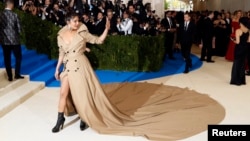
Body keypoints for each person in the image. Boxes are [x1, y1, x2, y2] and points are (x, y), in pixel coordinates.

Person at [51, 11, 224, 141]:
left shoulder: (82, 32)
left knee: (84, 94)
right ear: (68, 22)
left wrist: (106, 29)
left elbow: (98, 40)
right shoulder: (61, 35)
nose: (77, 22)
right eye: (75, 21)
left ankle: (85, 117)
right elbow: (61, 53)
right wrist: (57, 69)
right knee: (63, 94)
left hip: (81, 65)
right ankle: (59, 121)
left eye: (78, 21)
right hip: (67, 66)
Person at [0, 0, 24, 81]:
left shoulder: (1, 15)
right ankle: (17, 74)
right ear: (11, 5)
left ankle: (10, 76)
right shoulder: (15, 15)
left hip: (4, 41)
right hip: (15, 41)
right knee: (18, 57)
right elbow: (20, 29)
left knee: (7, 58)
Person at [230, 17, 250, 86]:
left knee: (236, 64)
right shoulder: (248, 30)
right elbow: (249, 41)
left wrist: (233, 40)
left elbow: (237, 42)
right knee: (242, 64)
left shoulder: (238, 30)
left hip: (239, 48)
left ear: (241, 22)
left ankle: (236, 81)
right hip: (245, 48)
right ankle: (242, 80)